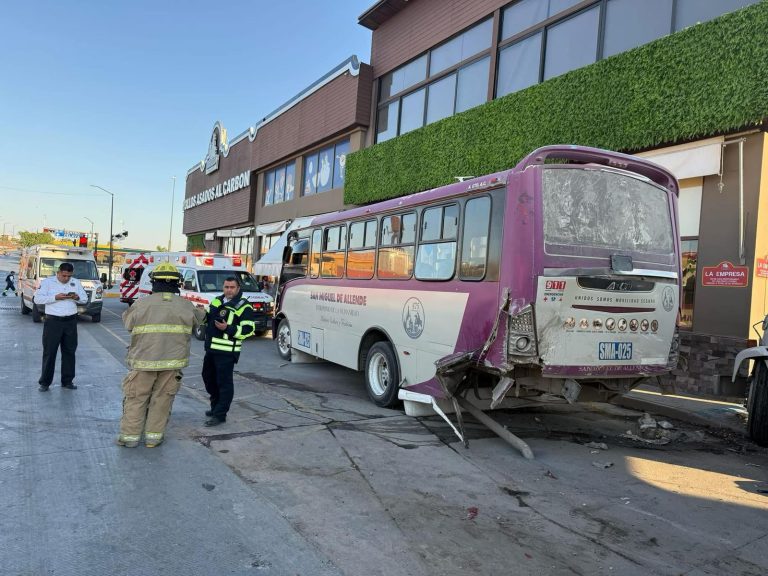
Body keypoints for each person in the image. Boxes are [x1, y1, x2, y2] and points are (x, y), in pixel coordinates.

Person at [117, 262, 205, 448]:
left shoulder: (141, 304)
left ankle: (129, 438)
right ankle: (153, 438)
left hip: (143, 362)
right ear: (177, 283)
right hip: (172, 364)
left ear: (153, 282)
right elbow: (201, 320)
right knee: (162, 400)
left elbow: (128, 324)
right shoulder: (186, 305)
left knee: (136, 399)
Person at [202, 276, 257, 426]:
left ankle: (220, 414)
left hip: (227, 352)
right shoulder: (217, 301)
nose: (229, 290)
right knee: (209, 379)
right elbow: (207, 319)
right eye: (226, 287)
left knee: (224, 384)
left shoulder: (244, 306)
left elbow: (248, 329)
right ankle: (215, 407)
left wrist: (228, 328)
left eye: (232, 287)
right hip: (211, 350)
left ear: (238, 288)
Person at [34, 262, 88, 391]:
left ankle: (67, 381)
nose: (66, 278)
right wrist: (55, 297)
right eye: (64, 275)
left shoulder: (75, 282)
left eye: (69, 276)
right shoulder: (48, 282)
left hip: (70, 322)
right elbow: (37, 299)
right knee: (50, 352)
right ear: (58, 273)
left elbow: (84, 299)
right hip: (53, 322)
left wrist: (76, 297)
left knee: (69, 352)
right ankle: (45, 383)